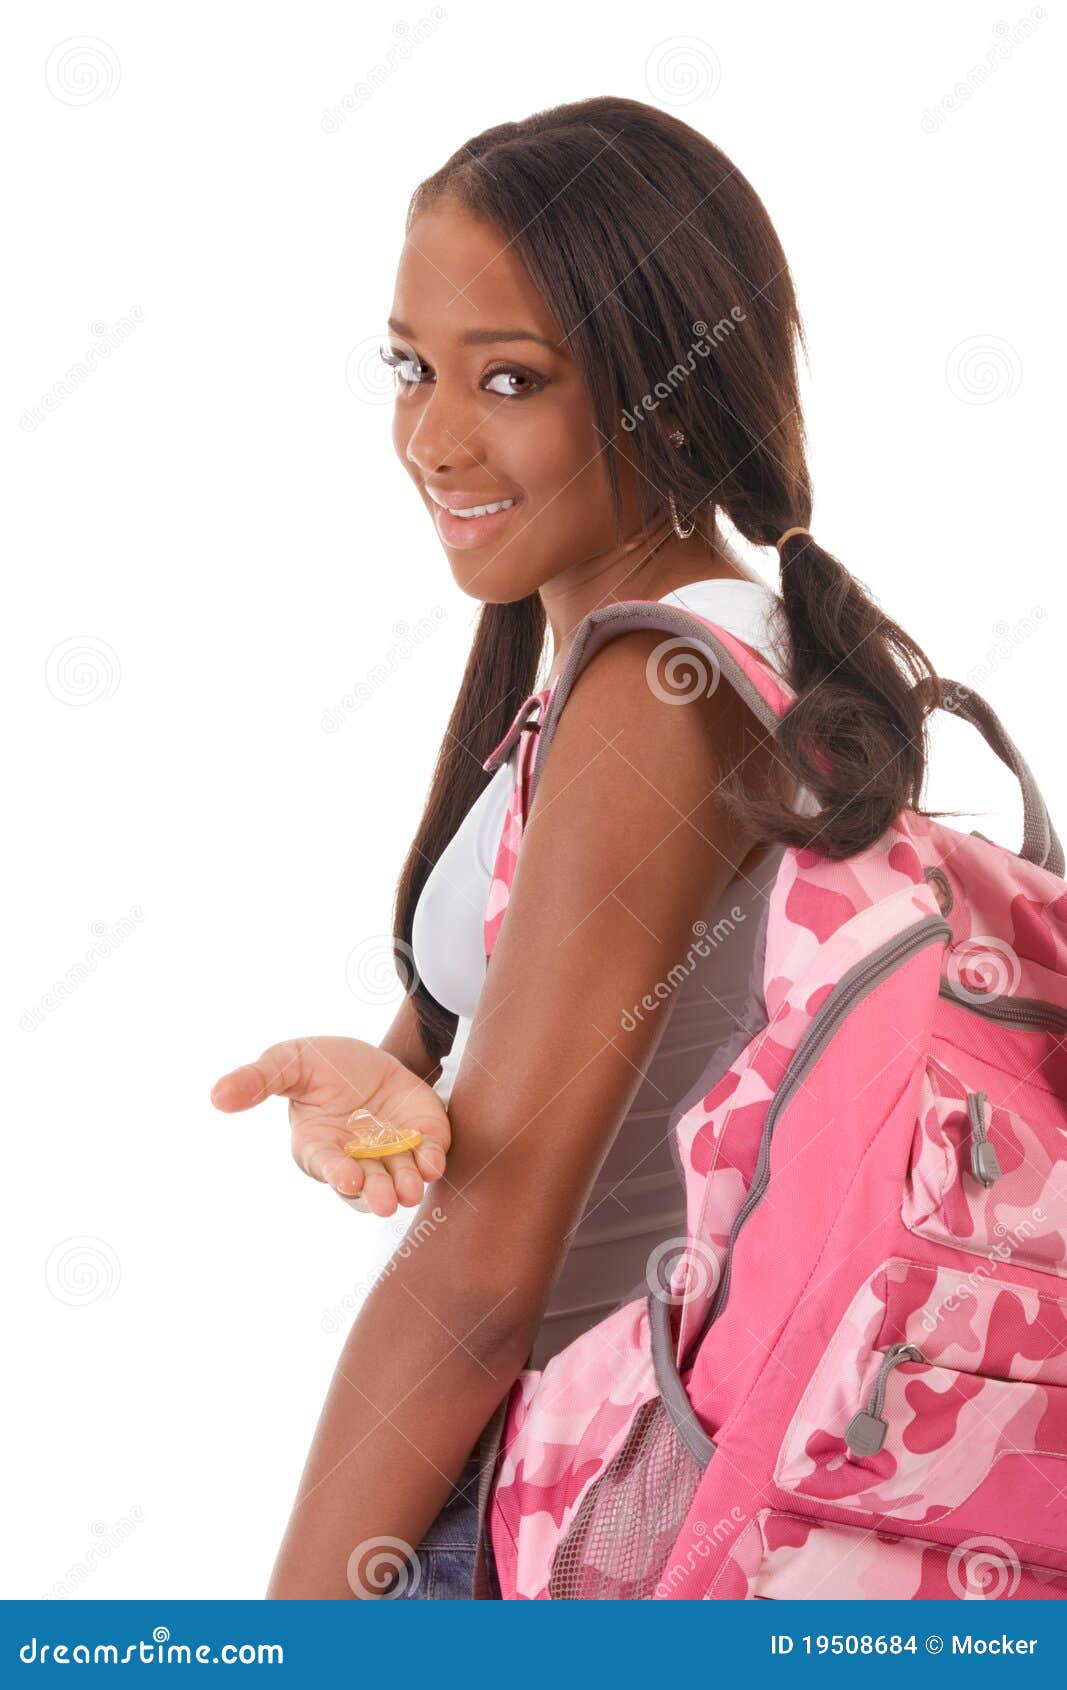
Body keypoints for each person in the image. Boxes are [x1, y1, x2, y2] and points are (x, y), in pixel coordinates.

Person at [210, 95, 939, 1600]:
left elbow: (479, 1287)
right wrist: (407, 1085)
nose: (434, 435)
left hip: (579, 1503)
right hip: (621, 1489)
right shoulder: (665, 656)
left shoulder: (656, 693)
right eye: (413, 366)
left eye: (513, 379)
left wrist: (285, 1631)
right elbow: (581, 1074)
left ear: (670, 391)